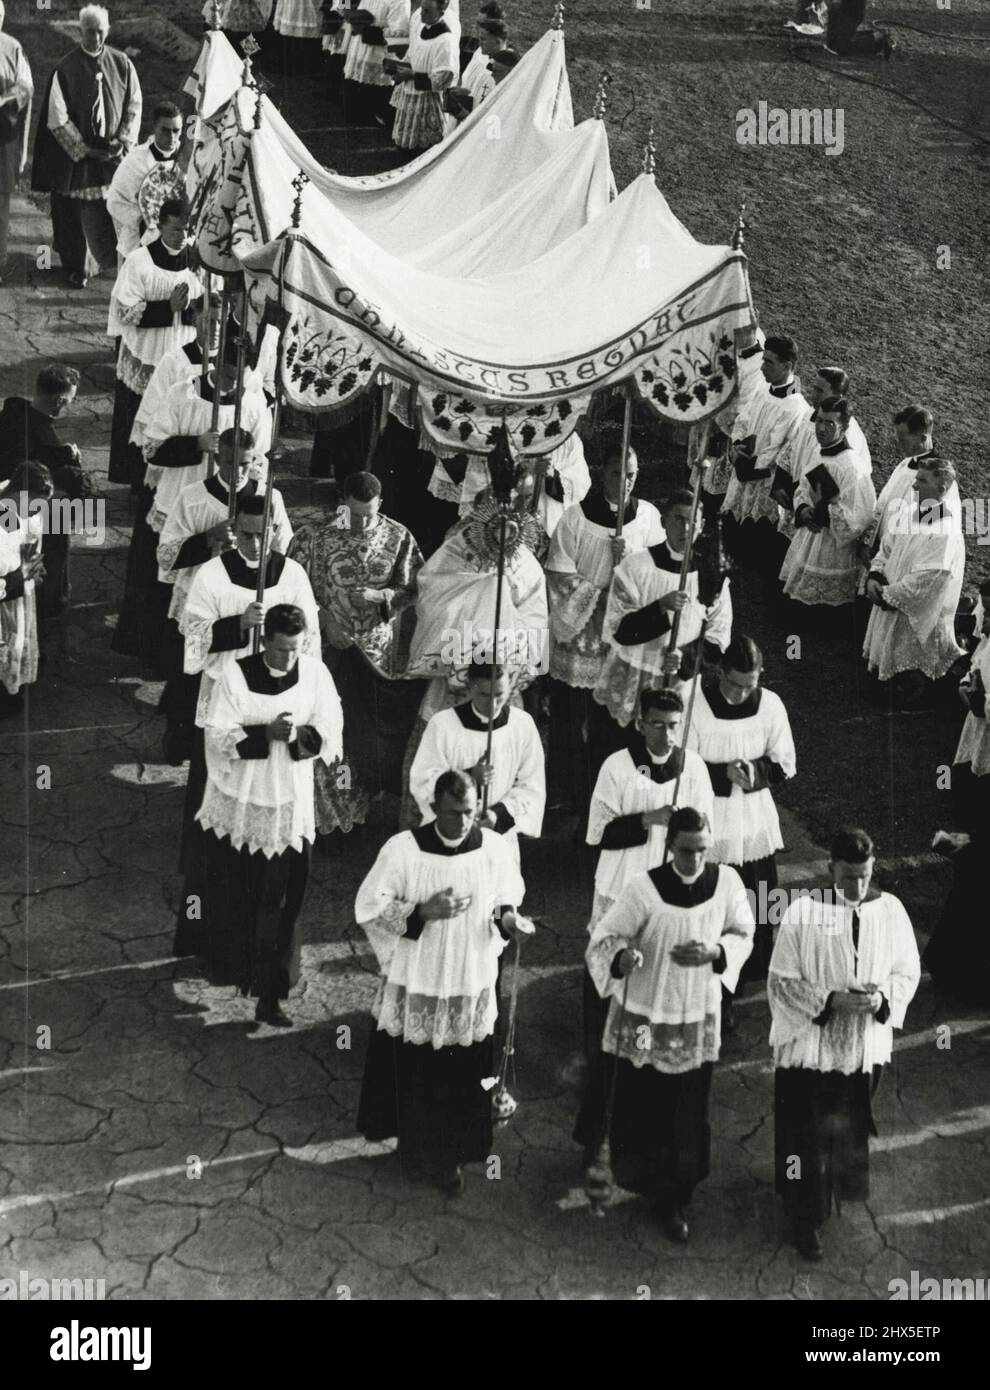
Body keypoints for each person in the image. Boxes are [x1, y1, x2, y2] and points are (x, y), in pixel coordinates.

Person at [575, 807, 755, 1241]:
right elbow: (603, 938)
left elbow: (743, 931)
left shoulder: (727, 883)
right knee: (645, 1101)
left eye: (702, 850)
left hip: (695, 1016)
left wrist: (717, 953)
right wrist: (622, 958)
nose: (695, 860)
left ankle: (675, 1197)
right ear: (669, 847)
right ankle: (635, 1175)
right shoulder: (644, 890)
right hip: (647, 1015)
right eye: (686, 850)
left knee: (687, 1110)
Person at [355, 769, 532, 1194]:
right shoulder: (403, 850)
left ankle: (452, 1157)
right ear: (433, 808)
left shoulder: (491, 847)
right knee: (417, 1067)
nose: (464, 822)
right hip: (421, 971)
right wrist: (420, 912)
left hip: (468, 975)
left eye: (470, 812)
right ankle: (413, 1147)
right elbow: (368, 905)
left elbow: (504, 899)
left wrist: (509, 921)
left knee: (463, 1071)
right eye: (454, 814)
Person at [768, 826, 920, 1260]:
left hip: (860, 1047)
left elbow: (907, 971)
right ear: (830, 867)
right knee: (804, 1136)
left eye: (865, 875)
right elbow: (780, 983)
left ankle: (831, 1193)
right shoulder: (801, 914)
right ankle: (803, 1217)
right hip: (809, 1048)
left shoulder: (890, 911)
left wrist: (881, 999)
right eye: (848, 875)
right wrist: (828, 999)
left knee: (842, 1131)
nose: (857, 885)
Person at [197, 603, 343, 1026]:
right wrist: (263, 734)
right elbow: (216, 733)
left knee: (284, 902)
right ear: (264, 642)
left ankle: (273, 991)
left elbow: (332, 730)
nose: (289, 658)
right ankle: (237, 972)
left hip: (290, 804)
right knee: (243, 895)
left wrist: (296, 734)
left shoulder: (315, 673)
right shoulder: (235, 675)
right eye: (281, 650)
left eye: (296, 649)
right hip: (245, 800)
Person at [582, 688, 715, 1072]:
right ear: (640, 724)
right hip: (623, 881)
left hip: (669, 886)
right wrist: (646, 819)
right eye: (657, 724)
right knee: (615, 963)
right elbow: (596, 834)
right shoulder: (617, 767)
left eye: (674, 725)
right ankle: (604, 1058)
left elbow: (707, 834)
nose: (666, 734)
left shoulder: (694, 769)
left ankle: (654, 1058)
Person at [289, 470, 423, 834]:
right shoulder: (312, 538)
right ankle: (330, 815)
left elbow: (414, 588)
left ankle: (356, 807)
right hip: (326, 652)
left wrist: (382, 597)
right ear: (341, 503)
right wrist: (322, 618)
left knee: (361, 739)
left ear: (381, 505)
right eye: (355, 514)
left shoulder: (398, 536)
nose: (363, 523)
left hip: (373, 659)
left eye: (370, 514)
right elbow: (290, 590)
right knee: (331, 735)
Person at [157, 426, 291, 757]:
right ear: (217, 458)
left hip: (248, 603)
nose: (238, 471)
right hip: (203, 602)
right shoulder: (192, 496)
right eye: (230, 462)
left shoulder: (270, 496)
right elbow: (165, 554)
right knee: (191, 677)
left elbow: (283, 547)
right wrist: (208, 538)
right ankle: (182, 743)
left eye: (245, 464)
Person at [684, 636, 796, 1025]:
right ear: (719, 674)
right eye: (734, 684)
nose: (741, 693)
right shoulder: (694, 702)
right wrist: (721, 773)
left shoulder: (770, 706)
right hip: (710, 819)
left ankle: (745, 975)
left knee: (756, 902)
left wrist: (756, 773)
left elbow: (784, 762)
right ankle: (714, 989)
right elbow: (682, 762)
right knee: (711, 905)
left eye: (750, 685)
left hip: (751, 823)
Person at [546, 448, 664, 807]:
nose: (625, 482)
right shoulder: (575, 518)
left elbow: (660, 570)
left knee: (616, 719)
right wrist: (597, 600)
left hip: (626, 634)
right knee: (573, 715)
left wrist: (629, 562)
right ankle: (567, 792)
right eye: (617, 474)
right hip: (583, 632)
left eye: (631, 474)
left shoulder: (647, 516)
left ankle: (611, 790)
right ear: (602, 473)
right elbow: (559, 573)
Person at [594, 487, 733, 730]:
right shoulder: (636, 567)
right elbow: (619, 629)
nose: (686, 529)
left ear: (702, 526)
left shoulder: (712, 575)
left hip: (681, 683)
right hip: (636, 676)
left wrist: (686, 658)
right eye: (678, 519)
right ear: (663, 521)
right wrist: (660, 607)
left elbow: (718, 636)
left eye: (693, 522)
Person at [31, 5, 142, 289]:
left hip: (112, 153)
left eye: (100, 31)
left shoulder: (122, 64)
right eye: (90, 31)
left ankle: (106, 262)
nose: (96, 37)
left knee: (109, 209)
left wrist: (123, 141)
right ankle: (78, 267)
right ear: (81, 31)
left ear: (107, 31)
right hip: (77, 157)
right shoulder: (65, 68)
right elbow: (57, 118)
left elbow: (134, 104)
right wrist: (83, 149)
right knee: (77, 214)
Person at [106, 197, 203, 493]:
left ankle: (168, 484)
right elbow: (124, 310)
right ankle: (138, 482)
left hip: (182, 352)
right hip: (147, 352)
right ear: (160, 225)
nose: (181, 236)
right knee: (141, 418)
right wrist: (168, 307)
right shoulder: (140, 261)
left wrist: (189, 307)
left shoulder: (200, 262)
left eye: (186, 230)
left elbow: (209, 305)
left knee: (174, 420)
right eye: (175, 230)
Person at [409, 661, 545, 868]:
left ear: (510, 686)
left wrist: (498, 815)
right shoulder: (443, 724)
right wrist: (469, 778)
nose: (492, 705)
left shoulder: (522, 725)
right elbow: (423, 780)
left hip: (497, 838)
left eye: (499, 695)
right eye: (484, 695)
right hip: (449, 836)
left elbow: (532, 786)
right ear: (471, 686)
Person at [863, 458, 965, 704]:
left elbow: (927, 581)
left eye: (922, 480)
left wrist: (886, 594)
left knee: (907, 665)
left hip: (909, 608)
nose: (915, 486)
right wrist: (875, 576)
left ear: (941, 489)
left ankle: (912, 685)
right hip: (889, 591)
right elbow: (886, 548)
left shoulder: (945, 530)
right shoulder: (910, 512)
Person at [0, 365, 91, 623]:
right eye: (70, 401)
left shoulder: (12, 414)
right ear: (60, 401)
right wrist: (73, 464)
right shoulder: (52, 451)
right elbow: (79, 505)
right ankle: (49, 608)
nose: (70, 406)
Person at [778, 396, 876, 628]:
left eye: (830, 423)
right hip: (809, 538)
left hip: (832, 548)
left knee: (820, 618)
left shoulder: (852, 467)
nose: (821, 428)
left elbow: (861, 519)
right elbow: (802, 486)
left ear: (844, 427)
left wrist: (829, 508)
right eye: (820, 421)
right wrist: (802, 510)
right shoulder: (819, 452)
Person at [721, 333, 807, 570]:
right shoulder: (762, 391)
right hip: (743, 469)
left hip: (763, 484)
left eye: (769, 362)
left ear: (787, 366)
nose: (762, 367)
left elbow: (781, 450)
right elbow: (743, 421)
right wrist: (737, 445)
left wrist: (749, 465)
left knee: (755, 546)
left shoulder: (797, 409)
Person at [770, 365, 870, 554]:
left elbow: (839, 484)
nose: (812, 394)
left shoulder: (849, 435)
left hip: (817, 520)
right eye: (814, 387)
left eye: (819, 390)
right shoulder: (811, 414)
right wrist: (779, 484)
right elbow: (792, 449)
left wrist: (813, 510)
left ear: (838, 396)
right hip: (796, 501)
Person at [857, 406, 959, 579]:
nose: (898, 442)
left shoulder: (939, 479)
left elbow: (925, 532)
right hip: (881, 553)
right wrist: (870, 543)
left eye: (903, 438)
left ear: (923, 437)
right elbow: (883, 504)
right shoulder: (905, 465)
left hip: (904, 563)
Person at [0, 462, 54, 717]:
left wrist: (30, 560)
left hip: (13, 595)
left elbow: (21, 536)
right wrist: (21, 575)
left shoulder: (7, 503)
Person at [105, 101, 186, 262]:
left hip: (179, 245)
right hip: (138, 245)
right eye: (165, 130)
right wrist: (143, 221)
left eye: (176, 131)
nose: (171, 137)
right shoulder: (135, 160)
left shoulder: (188, 160)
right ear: (154, 128)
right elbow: (114, 201)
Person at [389, 0, 458, 151]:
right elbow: (412, 53)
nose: (421, 13)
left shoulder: (445, 41)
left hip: (427, 100)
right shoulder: (422, 27)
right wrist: (400, 69)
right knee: (406, 146)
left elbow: (441, 80)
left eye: (427, 10)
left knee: (423, 148)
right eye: (422, 8)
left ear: (441, 10)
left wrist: (412, 75)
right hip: (410, 92)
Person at [0, 0, 32, 284]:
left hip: (3, 137)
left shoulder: (11, 47)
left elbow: (25, 87)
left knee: (0, 203)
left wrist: (4, 97)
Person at [341, 0, 411, 127]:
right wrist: (353, 16)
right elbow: (347, 6)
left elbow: (400, 34)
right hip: (359, 53)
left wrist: (366, 30)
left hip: (379, 57)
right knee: (354, 112)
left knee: (376, 108)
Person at [460, 17, 506, 107]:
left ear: (498, 42)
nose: (480, 43)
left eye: (483, 39)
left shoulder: (504, 69)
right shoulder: (480, 53)